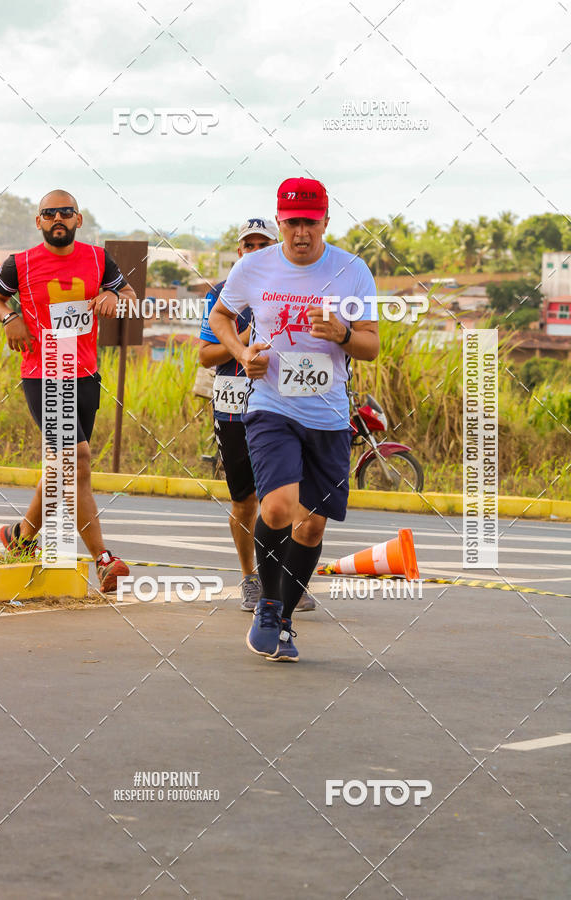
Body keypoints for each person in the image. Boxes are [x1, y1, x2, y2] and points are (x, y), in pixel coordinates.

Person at [209, 177, 379, 662]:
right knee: (279, 508)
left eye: (310, 222)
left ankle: (283, 619)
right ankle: (267, 604)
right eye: (292, 223)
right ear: (280, 221)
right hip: (271, 405)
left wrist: (343, 335)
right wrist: (242, 352)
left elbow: (371, 344)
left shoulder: (352, 270)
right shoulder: (254, 265)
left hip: (328, 414)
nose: (301, 232)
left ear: (326, 222)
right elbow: (221, 317)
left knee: (311, 528)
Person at [0, 189, 136, 593]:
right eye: (49, 213)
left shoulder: (99, 259)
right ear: (38, 221)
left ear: (78, 219)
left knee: (60, 468)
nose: (57, 219)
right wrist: (10, 318)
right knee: (77, 461)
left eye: (65, 212)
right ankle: (103, 559)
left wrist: (112, 295)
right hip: (43, 374)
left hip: (85, 375)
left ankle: (20, 537)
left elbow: (130, 297)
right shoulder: (20, 263)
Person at [199, 218, 315, 613]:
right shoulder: (221, 294)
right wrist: (244, 341)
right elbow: (205, 355)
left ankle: (286, 579)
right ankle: (250, 578)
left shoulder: (294, 286)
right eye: (248, 245)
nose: (254, 251)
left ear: (275, 246)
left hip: (282, 403)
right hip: (233, 405)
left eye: (262, 244)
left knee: (286, 497)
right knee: (245, 500)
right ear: (239, 252)